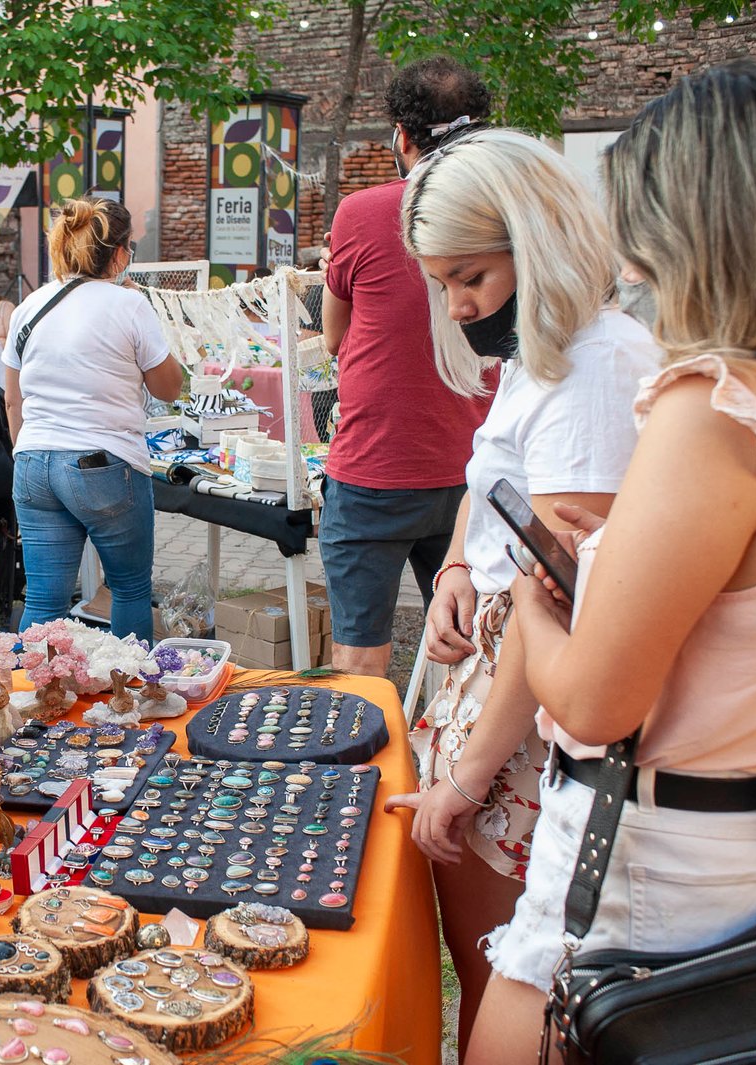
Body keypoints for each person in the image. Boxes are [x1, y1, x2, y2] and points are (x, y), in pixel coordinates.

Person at [468, 58, 756, 1064]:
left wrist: (535, 605)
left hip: (664, 868)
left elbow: (597, 704)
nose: (634, 268)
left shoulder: (716, 410)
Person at [380, 129, 663, 1056]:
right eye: (444, 285)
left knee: (511, 985)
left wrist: (465, 776)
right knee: (486, 971)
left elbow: (561, 607)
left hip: (522, 718)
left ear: (534, 241)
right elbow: (489, 483)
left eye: (472, 277)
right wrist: (459, 566)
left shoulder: (594, 368)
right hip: (496, 696)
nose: (459, 305)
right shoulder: (552, 348)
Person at [320, 57, 497, 681]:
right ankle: (451, 761)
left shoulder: (364, 212)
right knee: (464, 639)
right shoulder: (505, 215)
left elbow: (334, 338)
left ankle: (356, 769)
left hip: (376, 466)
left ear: (402, 136)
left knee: (361, 651)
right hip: (474, 466)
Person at [2, 198, 184, 639]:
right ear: (121, 254)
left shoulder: (30, 305)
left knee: (44, 599)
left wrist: (26, 455)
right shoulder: (129, 305)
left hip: (32, 461)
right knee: (130, 589)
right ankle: (131, 699)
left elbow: (12, 400)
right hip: (103, 464)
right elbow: (169, 388)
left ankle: (30, 699)